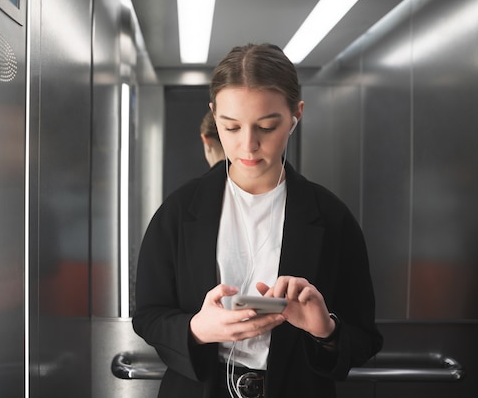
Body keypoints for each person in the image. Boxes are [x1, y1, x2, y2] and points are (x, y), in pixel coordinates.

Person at [132, 43, 382, 398]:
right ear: (214, 115)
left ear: (296, 115)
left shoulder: (331, 217)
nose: (248, 146)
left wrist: (324, 329)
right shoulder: (179, 209)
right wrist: (197, 328)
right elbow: (148, 316)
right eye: (231, 127)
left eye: (266, 126)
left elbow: (365, 337)